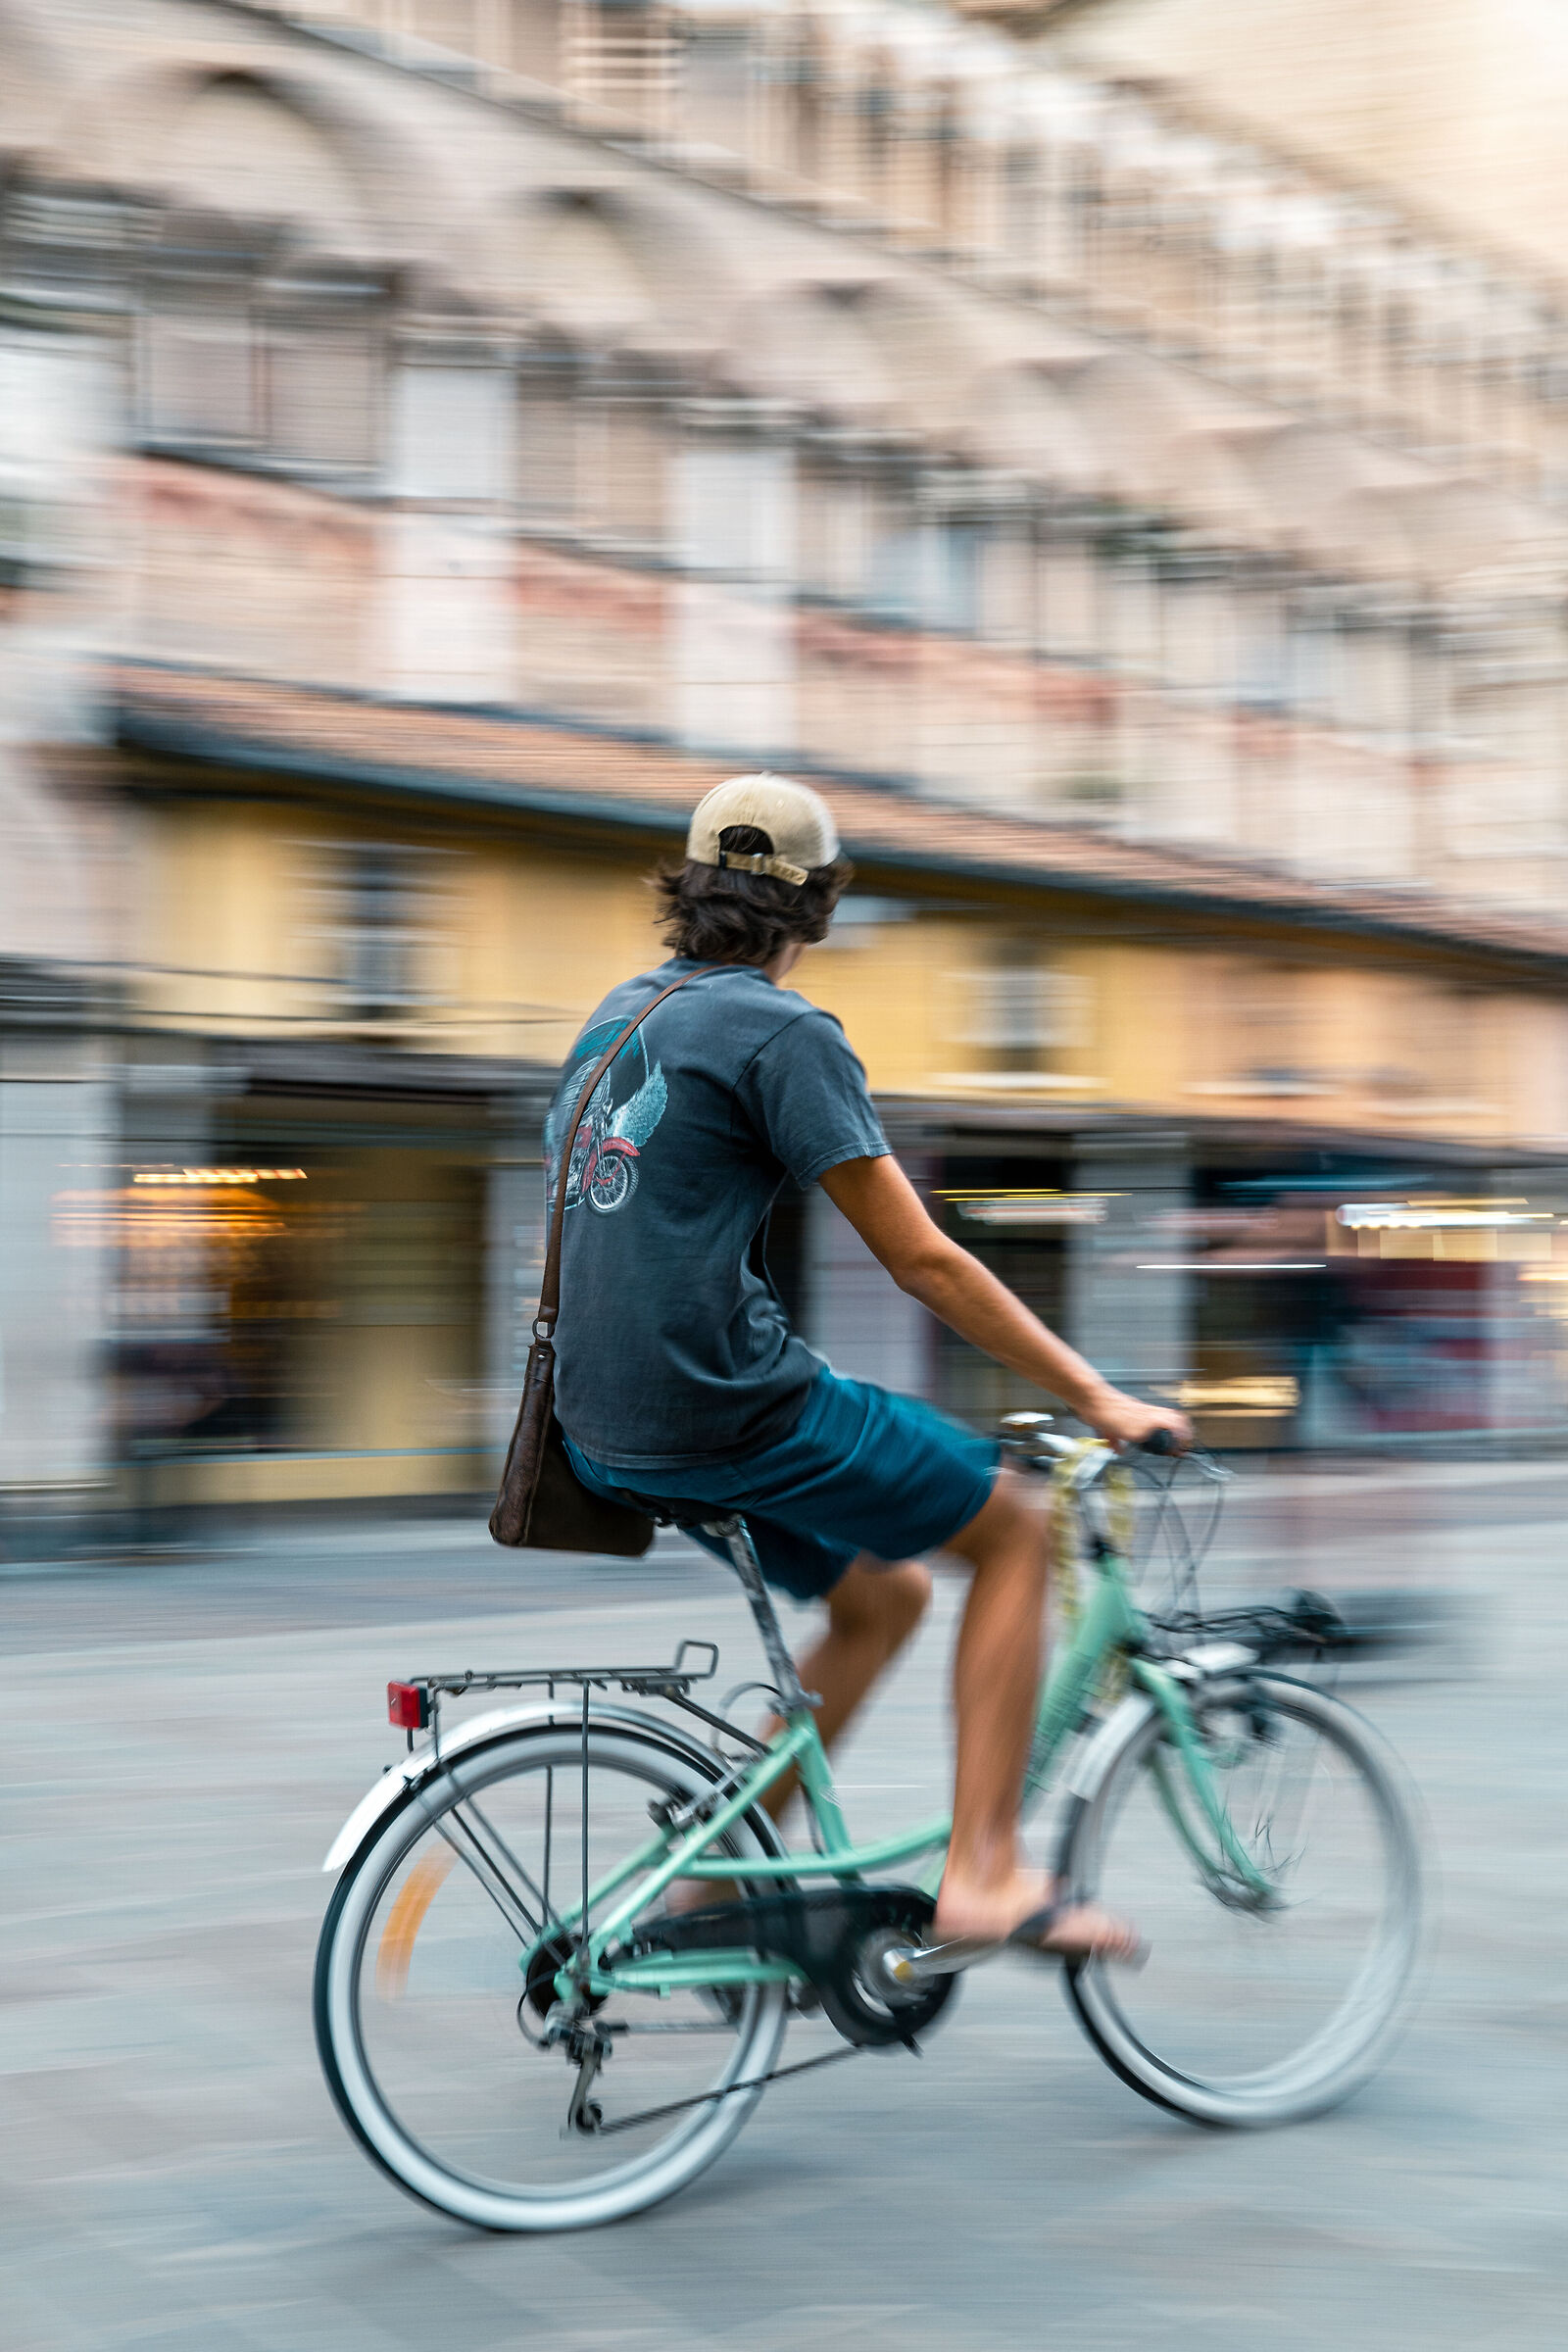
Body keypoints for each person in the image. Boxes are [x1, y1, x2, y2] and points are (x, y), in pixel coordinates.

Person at [549, 774, 1190, 1962]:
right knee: (1011, 1526)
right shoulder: (780, 1032)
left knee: (884, 1592)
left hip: (598, 1424)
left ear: (687, 890)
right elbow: (924, 1263)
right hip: (718, 1406)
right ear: (820, 906)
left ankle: (714, 1884)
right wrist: (1094, 1395)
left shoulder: (620, 1014)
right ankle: (985, 1874)